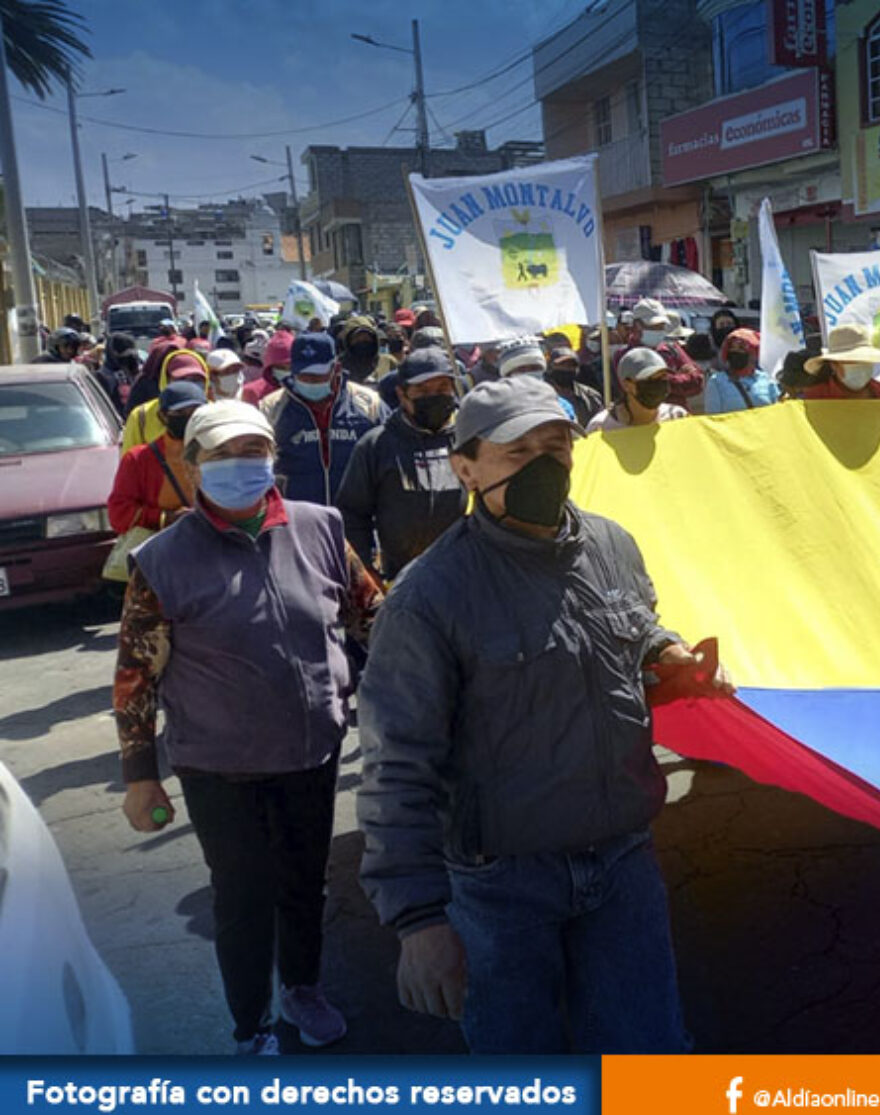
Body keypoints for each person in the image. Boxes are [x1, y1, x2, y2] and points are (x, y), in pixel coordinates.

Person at [356, 375, 730, 1054]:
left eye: (554, 446)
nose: (542, 464)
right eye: (516, 452)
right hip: (500, 887)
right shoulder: (428, 598)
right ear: (465, 468)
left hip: (622, 865)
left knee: (648, 1056)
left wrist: (664, 654)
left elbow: (628, 632)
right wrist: (418, 921)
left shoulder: (612, 545)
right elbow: (394, 767)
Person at [116, 398, 382, 1055]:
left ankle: (303, 989)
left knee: (303, 884)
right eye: (224, 454)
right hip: (220, 768)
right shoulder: (161, 561)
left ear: (272, 457)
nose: (241, 465)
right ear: (194, 464)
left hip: (311, 755)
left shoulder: (321, 528)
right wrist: (140, 778)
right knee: (241, 900)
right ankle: (251, 1026)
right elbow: (134, 679)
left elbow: (374, 617)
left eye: (253, 451)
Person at [335, 347, 468, 583]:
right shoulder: (376, 445)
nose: (434, 396)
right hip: (400, 579)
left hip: (466, 574)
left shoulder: (470, 440)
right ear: (401, 394)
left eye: (442, 388)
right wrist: (366, 569)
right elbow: (353, 514)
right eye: (423, 391)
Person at [259, 332, 387, 508]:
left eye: (319, 375)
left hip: (356, 521)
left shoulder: (368, 403)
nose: (311, 381)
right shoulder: (270, 408)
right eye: (303, 375)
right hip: (298, 521)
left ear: (336, 368)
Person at [108, 381, 203, 537]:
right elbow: (118, 514)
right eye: (180, 413)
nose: (189, 419)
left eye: (195, 413)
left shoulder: (216, 452)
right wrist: (164, 518)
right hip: (160, 551)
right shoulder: (138, 459)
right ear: (163, 416)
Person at [123, 350, 211, 455]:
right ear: (166, 380)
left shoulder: (214, 413)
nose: (189, 384)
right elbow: (129, 462)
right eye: (181, 379)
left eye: (196, 379)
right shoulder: (141, 416)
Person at [591, 347, 690, 431]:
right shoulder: (601, 428)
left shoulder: (677, 417)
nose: (657, 385)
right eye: (650, 379)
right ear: (627, 385)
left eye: (663, 377)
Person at [801, 325, 880, 400]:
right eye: (854, 360)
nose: (862, 364)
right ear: (834, 365)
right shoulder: (815, 395)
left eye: (866, 359)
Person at [702, 329, 779, 414]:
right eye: (732, 348)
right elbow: (713, 419)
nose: (736, 352)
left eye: (741, 348)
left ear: (753, 353)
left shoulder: (767, 380)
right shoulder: (716, 382)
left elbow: (776, 412)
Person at [545, 346, 606, 425]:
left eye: (571, 365)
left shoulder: (590, 395)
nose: (566, 369)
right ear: (550, 367)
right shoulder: (542, 395)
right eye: (562, 364)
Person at [98, 332, 143, 416]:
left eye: (130, 355)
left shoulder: (136, 372)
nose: (127, 360)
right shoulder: (102, 376)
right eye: (123, 355)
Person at [243, 333, 292, 406]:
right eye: (279, 367)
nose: (285, 372)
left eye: (290, 367)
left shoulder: (302, 393)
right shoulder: (251, 392)